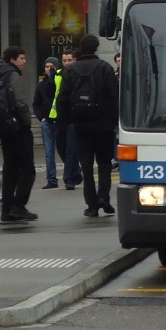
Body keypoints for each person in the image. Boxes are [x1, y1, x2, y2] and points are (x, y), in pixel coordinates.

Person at [59, 35, 119, 217]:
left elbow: (63, 98)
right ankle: (104, 197)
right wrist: (115, 120)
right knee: (104, 163)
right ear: (96, 48)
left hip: (81, 125)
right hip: (103, 125)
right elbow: (114, 96)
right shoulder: (104, 68)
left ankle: (91, 204)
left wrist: (68, 120)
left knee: (86, 164)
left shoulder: (71, 70)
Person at [0, 46, 37, 222]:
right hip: (18, 128)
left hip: (6, 129)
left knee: (10, 169)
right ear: (12, 60)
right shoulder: (14, 76)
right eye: (21, 58)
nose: (24, 61)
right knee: (28, 169)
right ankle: (19, 206)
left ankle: (7, 209)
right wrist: (27, 122)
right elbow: (20, 101)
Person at [32, 57, 62, 189]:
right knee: (49, 153)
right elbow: (36, 103)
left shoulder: (60, 81)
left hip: (60, 121)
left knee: (66, 150)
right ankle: (51, 179)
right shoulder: (41, 85)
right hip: (47, 122)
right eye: (46, 66)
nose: (48, 69)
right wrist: (41, 117)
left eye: (51, 66)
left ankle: (72, 175)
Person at [56, 50, 83, 189]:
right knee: (61, 146)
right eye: (64, 60)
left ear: (75, 60)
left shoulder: (78, 75)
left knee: (71, 149)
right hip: (59, 117)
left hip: (73, 118)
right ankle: (76, 172)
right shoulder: (57, 75)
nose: (67, 63)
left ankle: (69, 179)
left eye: (69, 60)